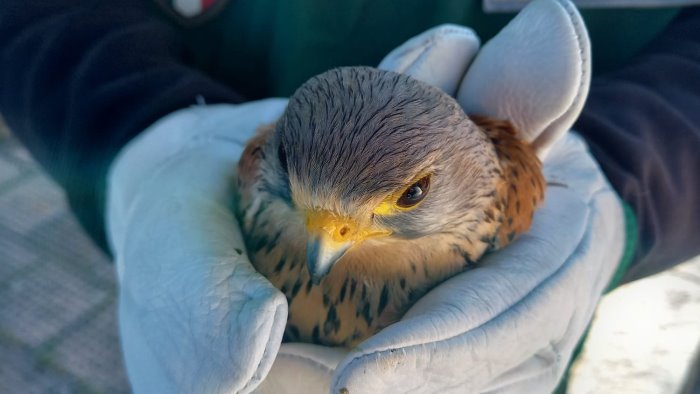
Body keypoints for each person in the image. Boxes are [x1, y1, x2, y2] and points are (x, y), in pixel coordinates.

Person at [1, 0, 699, 391]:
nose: (325, 239)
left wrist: (630, 173)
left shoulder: (506, 201)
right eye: (314, 210)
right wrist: (135, 126)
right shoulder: (254, 174)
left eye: (405, 197)